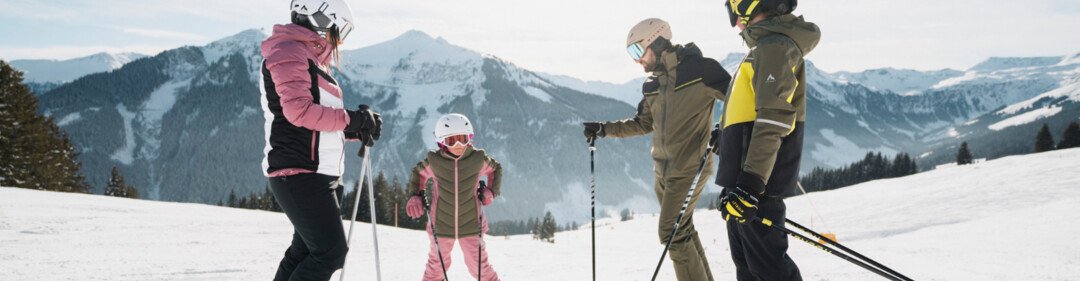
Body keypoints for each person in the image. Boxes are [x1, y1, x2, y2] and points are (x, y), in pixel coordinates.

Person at [582, 18, 731, 281]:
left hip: (689, 167)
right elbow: (642, 123)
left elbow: (739, 97)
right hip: (662, 172)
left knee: (670, 233)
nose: (636, 60)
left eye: (637, 50)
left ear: (657, 41)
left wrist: (725, 130)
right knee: (682, 231)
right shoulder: (653, 84)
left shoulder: (700, 70)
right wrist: (603, 129)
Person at [260, 1, 382, 280]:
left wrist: (356, 129)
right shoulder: (288, 51)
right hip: (300, 172)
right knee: (330, 252)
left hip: (317, 172)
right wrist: (352, 119)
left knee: (304, 251)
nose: (336, 40)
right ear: (320, 19)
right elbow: (298, 111)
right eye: (336, 31)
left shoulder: (308, 58)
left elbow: (318, 124)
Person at [716, 0, 820, 280]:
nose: (735, 22)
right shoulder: (763, 48)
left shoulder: (774, 47)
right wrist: (724, 135)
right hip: (744, 181)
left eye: (733, 12)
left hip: (756, 185)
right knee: (749, 270)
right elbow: (749, 109)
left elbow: (773, 119)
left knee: (769, 271)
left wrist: (750, 184)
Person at [405, 113, 503, 281]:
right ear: (442, 142)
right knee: (436, 267)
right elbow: (418, 173)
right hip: (441, 224)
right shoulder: (435, 161)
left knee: (480, 267)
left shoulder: (477, 159)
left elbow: (496, 169)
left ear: (470, 138)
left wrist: (490, 191)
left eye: (463, 139)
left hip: (472, 223)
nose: (458, 145)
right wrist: (416, 196)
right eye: (451, 140)